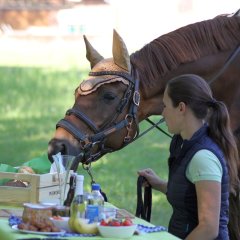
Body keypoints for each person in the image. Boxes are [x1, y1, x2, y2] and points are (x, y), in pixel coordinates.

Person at [138, 74, 239, 240]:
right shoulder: (185, 144)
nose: (162, 113)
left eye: (165, 106)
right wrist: (159, 184)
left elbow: (208, 228)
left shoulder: (203, 157)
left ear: (181, 108)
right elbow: (191, 195)